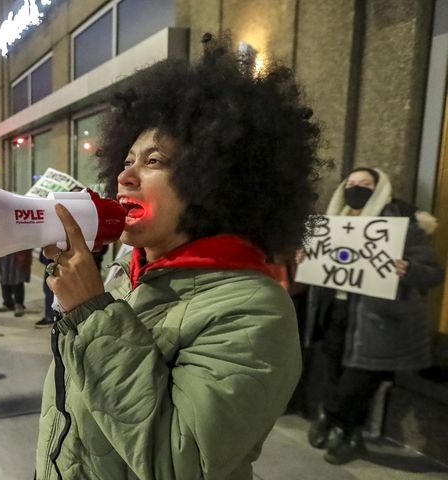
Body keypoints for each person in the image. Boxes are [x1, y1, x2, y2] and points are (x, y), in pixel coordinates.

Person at [35, 35, 321, 479]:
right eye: (126, 160)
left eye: (154, 161)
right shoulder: (127, 271)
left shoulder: (254, 311)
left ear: (212, 180)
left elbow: (177, 460)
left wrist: (91, 313)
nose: (125, 176)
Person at [305, 167, 443, 465]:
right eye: (351, 183)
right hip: (335, 314)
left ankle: (329, 415)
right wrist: (307, 257)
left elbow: (434, 272)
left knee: (356, 382)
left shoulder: (401, 223)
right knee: (336, 375)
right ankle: (350, 436)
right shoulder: (332, 219)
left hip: (377, 320)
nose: (356, 189)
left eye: (365, 184)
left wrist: (408, 269)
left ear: (380, 189)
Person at [0, 249, 32, 317]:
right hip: (2, 252)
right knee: (3, 277)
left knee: (17, 278)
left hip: (16, 252)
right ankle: (7, 303)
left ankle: (19, 304)